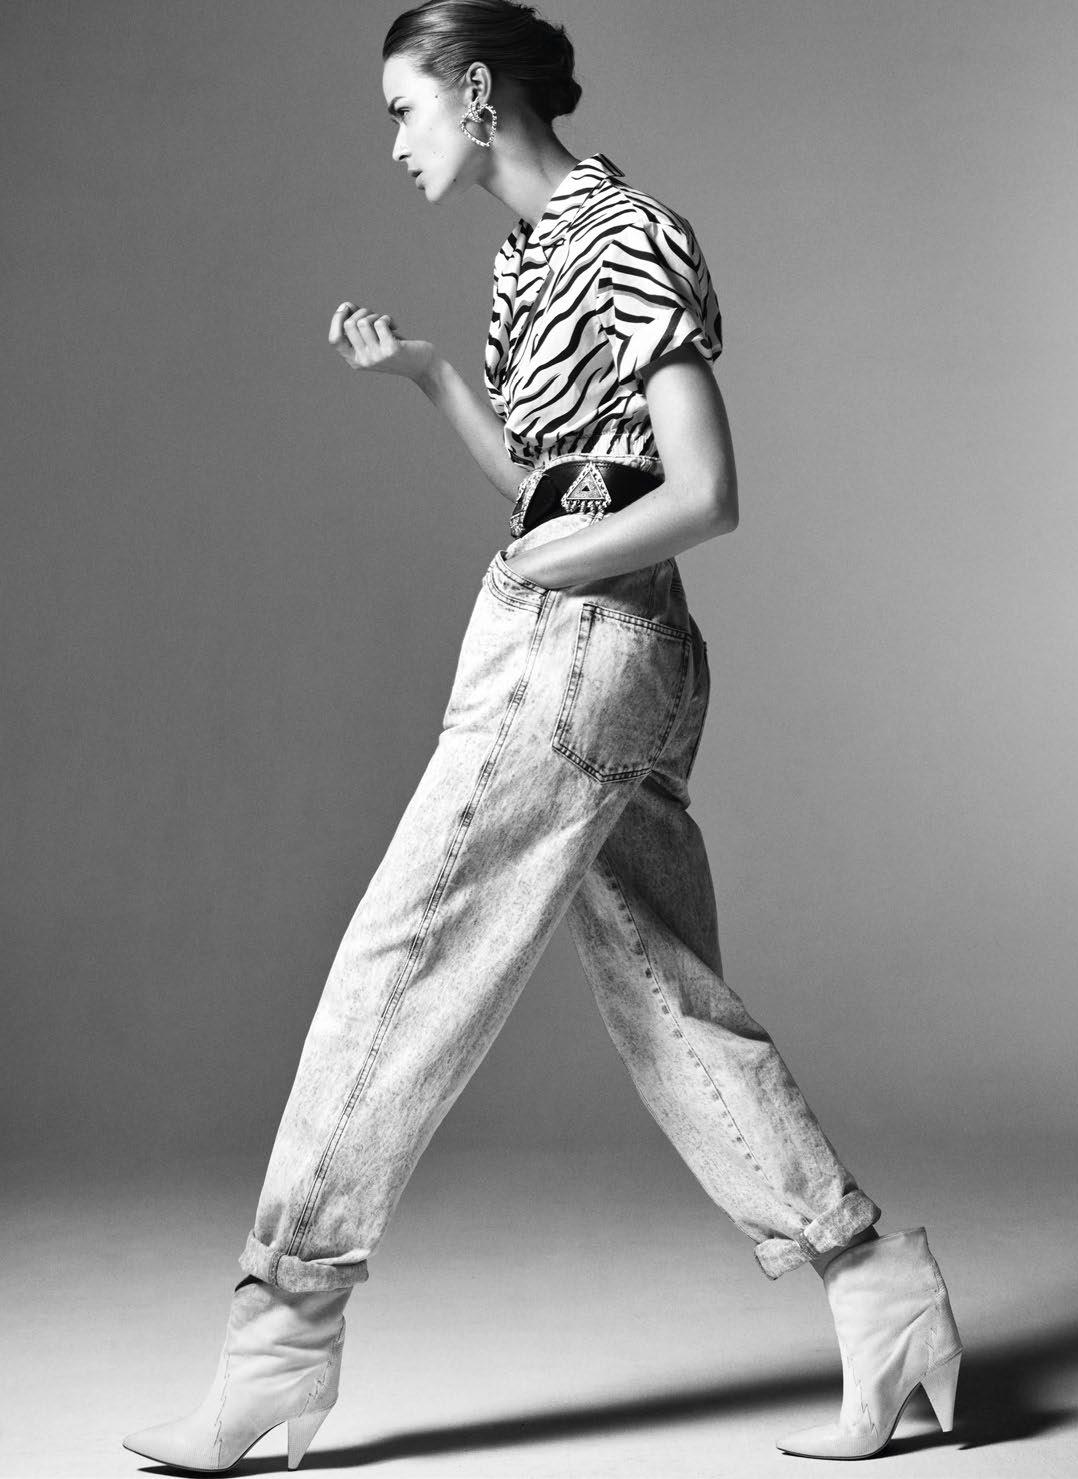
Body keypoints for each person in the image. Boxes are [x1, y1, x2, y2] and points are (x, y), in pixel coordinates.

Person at [123, 0, 962, 1470]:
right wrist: (434, 377)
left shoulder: (627, 233)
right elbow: (543, 481)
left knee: (402, 959)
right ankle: (879, 1288)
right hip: (602, 650)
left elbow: (700, 493)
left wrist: (543, 573)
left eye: (402, 110)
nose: (394, 143)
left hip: (574, 650)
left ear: (473, 89)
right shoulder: (526, 260)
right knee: (667, 999)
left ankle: (281, 1332)